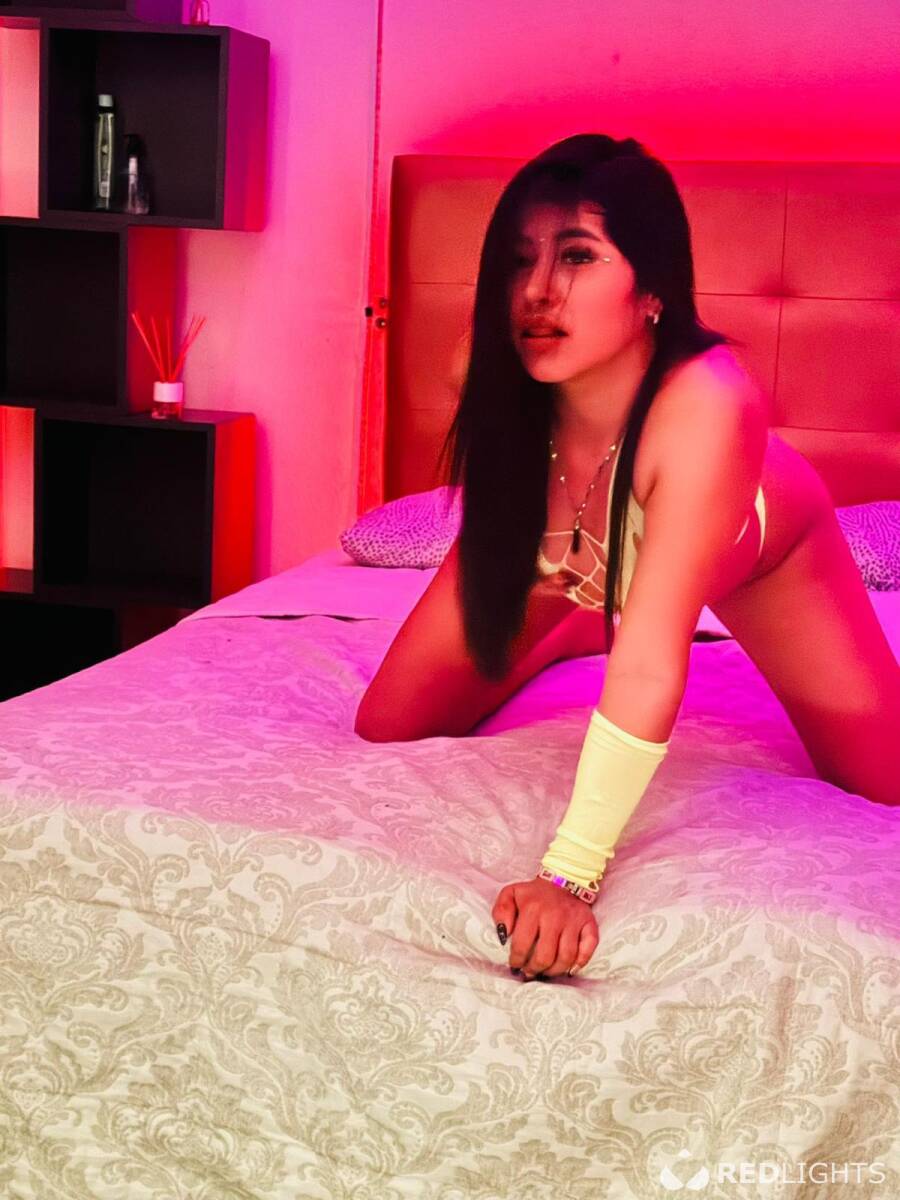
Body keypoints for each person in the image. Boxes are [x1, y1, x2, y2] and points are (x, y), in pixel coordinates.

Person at [354, 133, 900, 982]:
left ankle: (615, 610)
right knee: (387, 724)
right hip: (560, 547)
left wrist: (568, 877)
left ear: (651, 290)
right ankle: (583, 622)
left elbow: (648, 667)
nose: (537, 291)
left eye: (577, 256)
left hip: (757, 550)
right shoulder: (492, 365)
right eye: (519, 260)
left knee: (886, 777)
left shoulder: (709, 404)